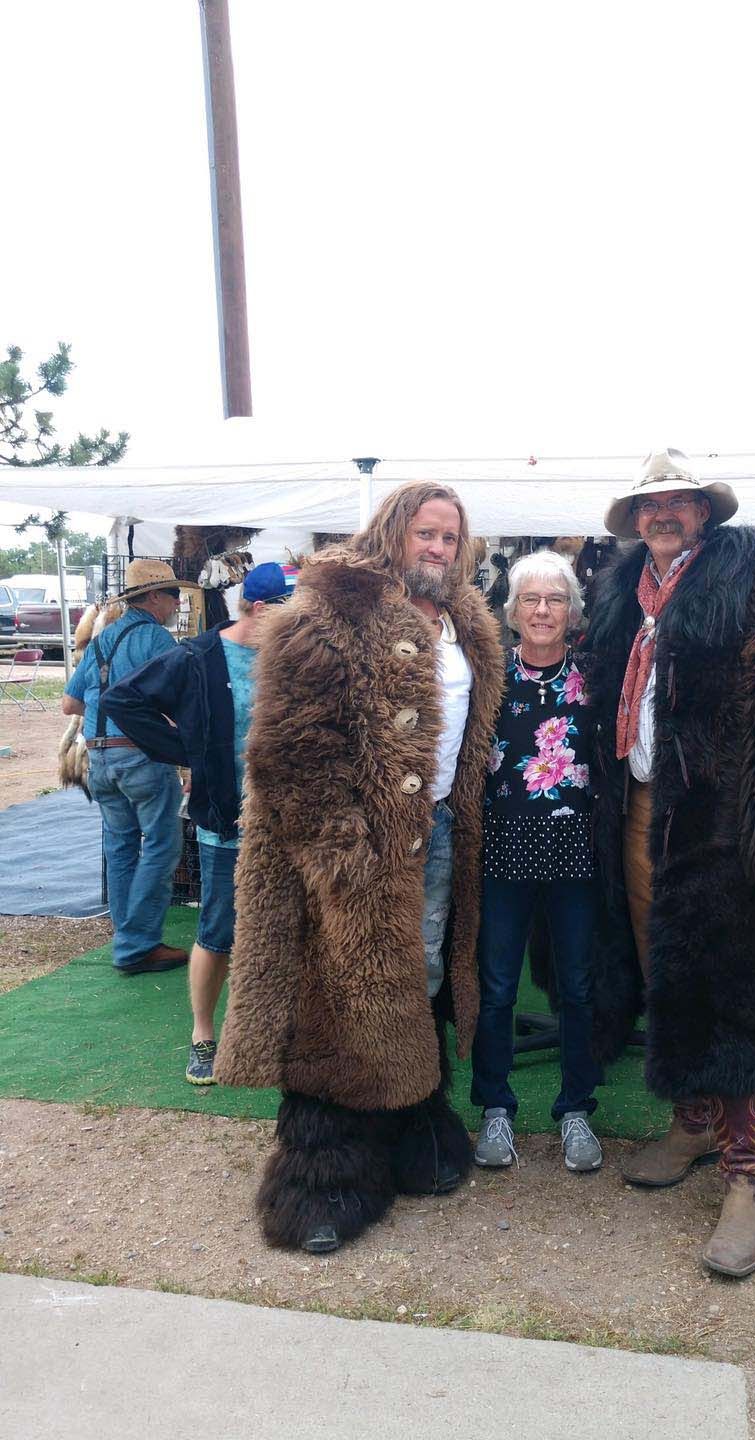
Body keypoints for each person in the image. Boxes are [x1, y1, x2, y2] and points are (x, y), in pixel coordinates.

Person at [582, 448, 755, 1278]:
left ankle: (751, 1174)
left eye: (678, 501)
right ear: (634, 518)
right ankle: (695, 1123)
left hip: (729, 824)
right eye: (649, 502)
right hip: (643, 811)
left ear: (705, 511)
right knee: (665, 967)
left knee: (739, 989)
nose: (662, 513)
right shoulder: (624, 589)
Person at [213, 483, 504, 1254]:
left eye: (451, 536)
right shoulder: (328, 611)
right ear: (391, 533)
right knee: (334, 992)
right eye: (425, 533)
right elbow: (292, 752)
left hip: (437, 833)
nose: (438, 548)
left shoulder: (468, 622)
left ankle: (414, 1129)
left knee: (422, 980)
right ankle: (323, 1181)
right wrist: (344, 857)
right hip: (349, 848)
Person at [103, 563, 291, 1086]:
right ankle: (203, 1035)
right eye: (286, 613)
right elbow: (124, 699)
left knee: (285, 929)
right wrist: (188, 751)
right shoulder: (200, 656)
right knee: (217, 929)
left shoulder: (296, 656)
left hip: (291, 823)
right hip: (226, 819)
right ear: (259, 609)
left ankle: (271, 1033)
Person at [471, 550, 603, 1173]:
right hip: (503, 850)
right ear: (514, 611)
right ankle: (495, 1106)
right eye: (531, 599)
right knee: (496, 988)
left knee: (577, 988)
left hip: (576, 853)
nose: (543, 610)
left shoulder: (595, 679)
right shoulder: (489, 680)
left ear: (573, 612)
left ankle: (576, 1109)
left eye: (554, 599)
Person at [61, 559, 197, 976]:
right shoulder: (156, 639)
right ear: (154, 596)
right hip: (141, 755)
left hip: (99, 756)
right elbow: (185, 700)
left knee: (120, 847)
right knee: (161, 846)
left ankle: (128, 936)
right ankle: (138, 945)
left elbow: (71, 704)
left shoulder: (102, 641)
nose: (177, 601)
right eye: (173, 594)